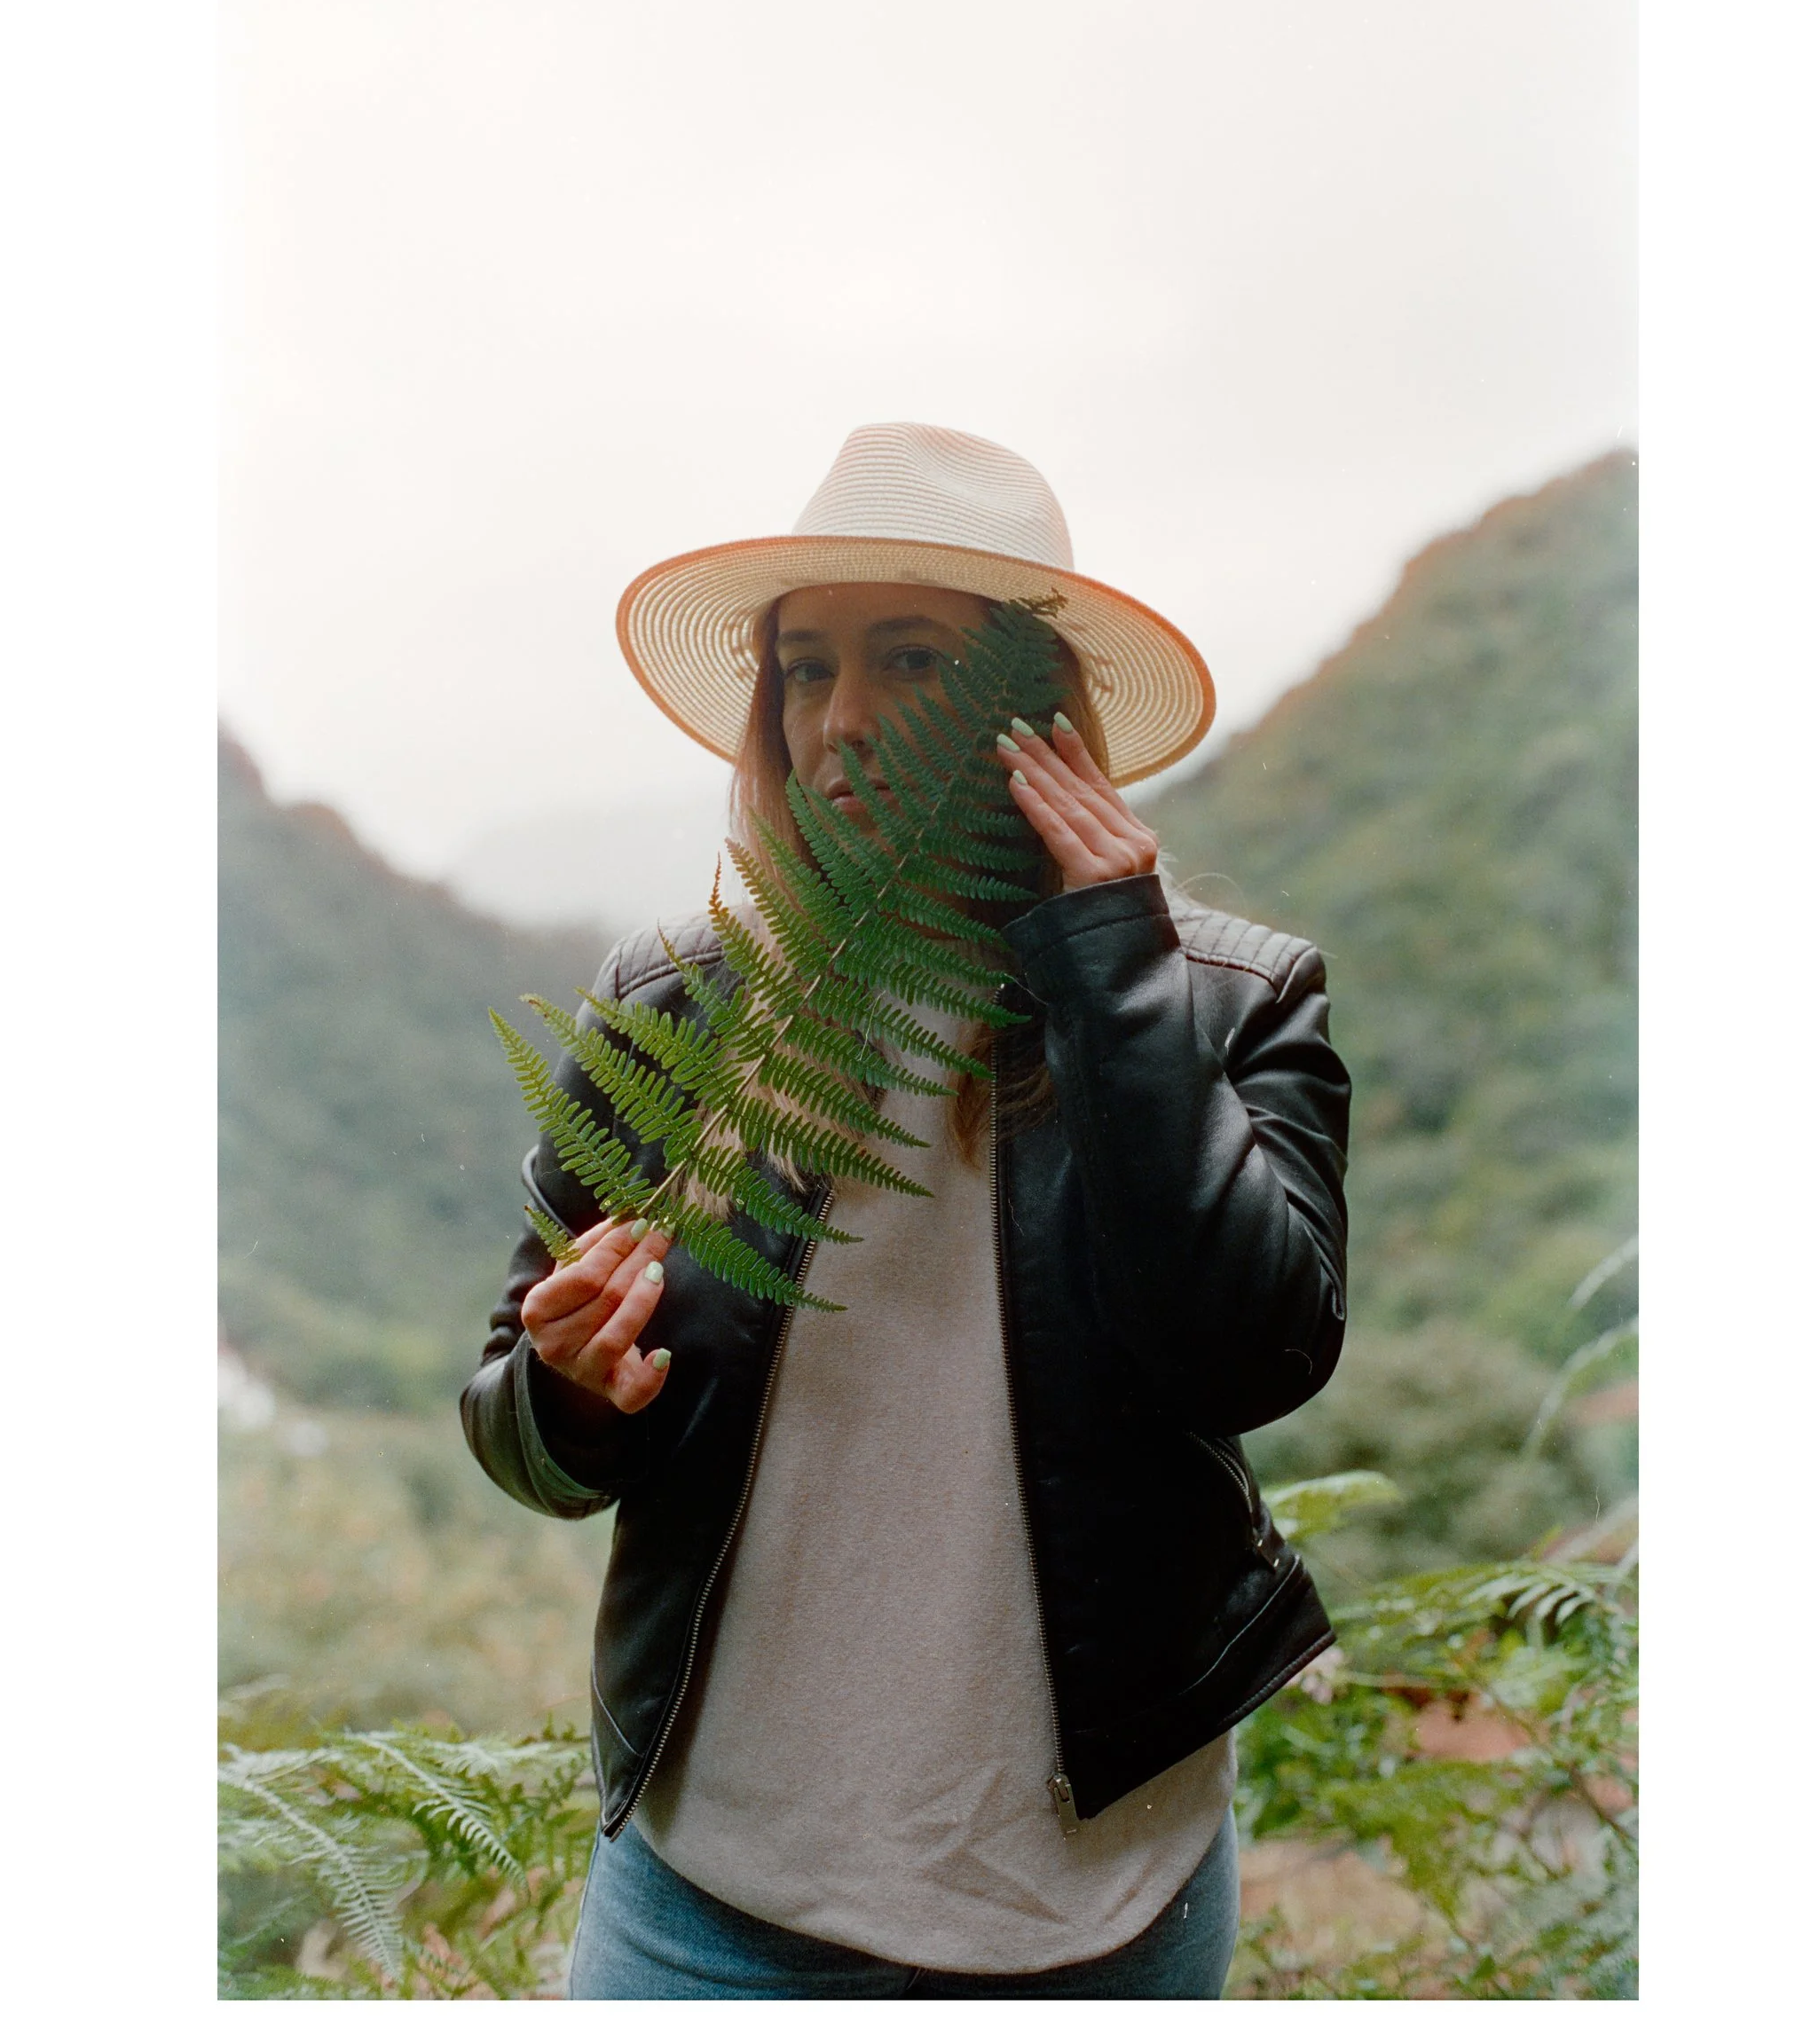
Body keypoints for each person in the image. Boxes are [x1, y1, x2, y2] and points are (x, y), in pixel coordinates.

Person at [461, 423, 1351, 2000]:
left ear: (1031, 707)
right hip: (707, 1897)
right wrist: (569, 1389)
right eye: (805, 668)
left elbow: (1252, 1355)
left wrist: (1119, 978)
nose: (843, 720)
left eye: (914, 658)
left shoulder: (1223, 998)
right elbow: (518, 1433)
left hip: (1098, 1896)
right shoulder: (678, 1010)